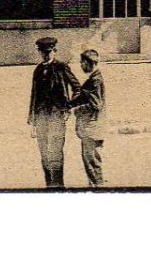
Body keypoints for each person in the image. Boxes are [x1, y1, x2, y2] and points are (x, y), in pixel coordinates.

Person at [26, 36, 79, 188]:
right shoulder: (37, 70)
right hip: (41, 117)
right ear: (39, 52)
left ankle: (58, 186)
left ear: (54, 51)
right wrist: (32, 118)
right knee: (44, 153)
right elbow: (34, 94)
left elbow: (77, 88)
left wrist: (68, 106)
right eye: (43, 52)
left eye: (49, 52)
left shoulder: (62, 67)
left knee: (55, 152)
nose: (46, 55)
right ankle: (49, 185)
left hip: (56, 116)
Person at [72, 48, 107, 188]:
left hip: (92, 128)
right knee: (91, 162)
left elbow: (95, 105)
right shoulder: (94, 79)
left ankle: (98, 190)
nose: (81, 65)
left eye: (82, 62)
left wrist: (77, 110)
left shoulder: (95, 81)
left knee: (92, 163)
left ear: (88, 63)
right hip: (93, 127)